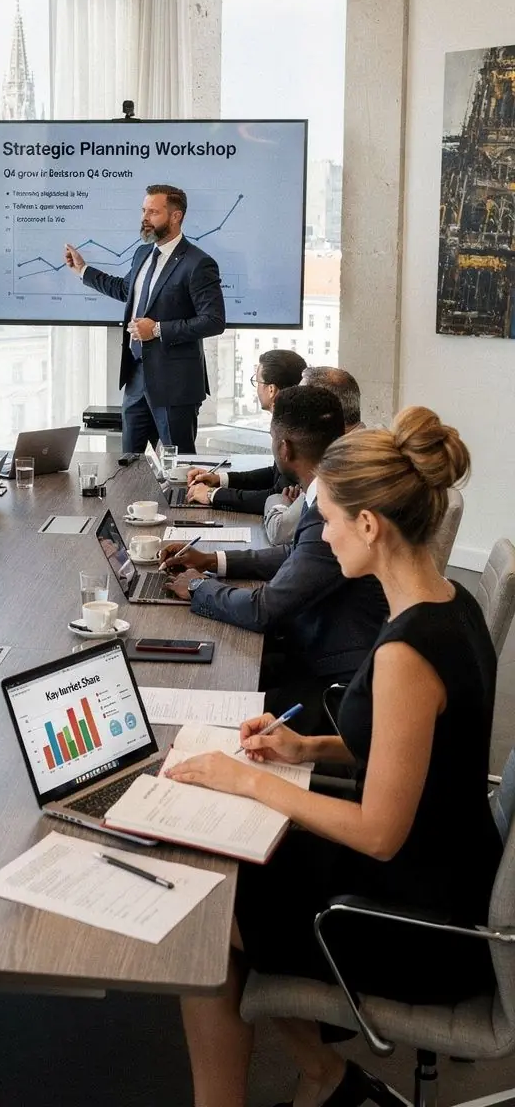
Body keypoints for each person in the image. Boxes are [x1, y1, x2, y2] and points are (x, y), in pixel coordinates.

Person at [169, 407, 500, 1107]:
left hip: (415, 919)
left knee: (204, 917)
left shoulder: (409, 651)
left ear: (369, 526)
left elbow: (378, 833)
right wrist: (305, 746)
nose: (321, 536)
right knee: (231, 883)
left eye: (328, 521)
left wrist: (249, 783)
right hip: (447, 867)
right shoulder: (451, 604)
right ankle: (322, 1074)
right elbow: (412, 745)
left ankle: (302, 1077)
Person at [161, 387, 387, 723]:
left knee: (214, 693)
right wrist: (212, 560)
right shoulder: (336, 488)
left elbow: (264, 610)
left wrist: (198, 587)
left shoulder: (335, 507)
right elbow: (297, 553)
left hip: (335, 683)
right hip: (320, 648)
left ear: (285, 448)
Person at [64, 184, 225, 454]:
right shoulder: (142, 254)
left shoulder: (198, 263)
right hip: (136, 378)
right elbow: (126, 290)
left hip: (176, 385)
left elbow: (214, 320)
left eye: (153, 212)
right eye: (143, 211)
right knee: (129, 465)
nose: (145, 218)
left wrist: (158, 329)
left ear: (176, 216)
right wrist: (83, 270)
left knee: (179, 466)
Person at [186, 348, 306, 510]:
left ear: (271, 389)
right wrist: (220, 479)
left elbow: (276, 496)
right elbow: (274, 474)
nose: (257, 389)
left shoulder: (293, 430)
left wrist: (212, 495)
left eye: (257, 382)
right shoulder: (291, 420)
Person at [264, 366, 364, 546]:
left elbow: (280, 530)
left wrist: (279, 500)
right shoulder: (365, 441)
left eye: (304, 397)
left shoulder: (344, 459)